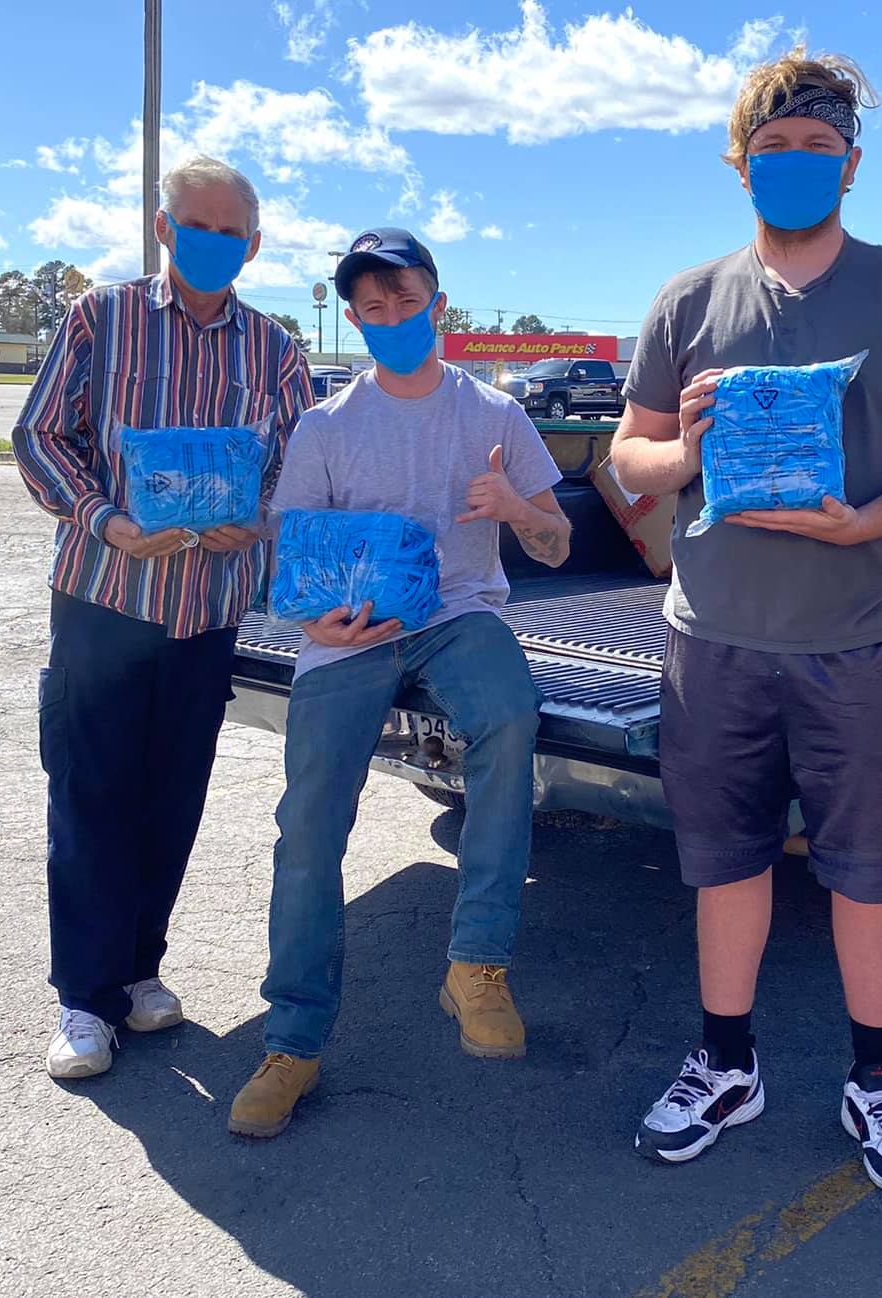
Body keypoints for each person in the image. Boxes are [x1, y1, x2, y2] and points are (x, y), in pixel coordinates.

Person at [611, 49, 882, 1195]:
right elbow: (630, 458)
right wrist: (680, 452)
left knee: (868, 871)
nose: (793, 166)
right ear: (740, 166)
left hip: (863, 635)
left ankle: (875, 1077)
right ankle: (725, 1062)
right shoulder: (687, 298)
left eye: (815, 149)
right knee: (724, 864)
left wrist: (860, 521)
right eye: (771, 150)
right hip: (715, 637)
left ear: (851, 163)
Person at [227, 228, 571, 1140]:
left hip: (458, 615)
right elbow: (292, 554)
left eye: (406, 302)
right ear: (353, 318)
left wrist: (519, 509)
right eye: (372, 309)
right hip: (350, 631)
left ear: (438, 305)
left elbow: (557, 543)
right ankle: (293, 1038)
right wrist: (314, 623)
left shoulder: (495, 416)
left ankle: (477, 963)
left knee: (509, 718)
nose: (391, 319)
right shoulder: (328, 425)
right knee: (309, 821)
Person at [13, 155, 311, 1080]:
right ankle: (84, 998)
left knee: (174, 796)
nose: (215, 243)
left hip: (205, 611)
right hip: (109, 597)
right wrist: (106, 519)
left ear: (253, 245)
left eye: (233, 232)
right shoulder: (99, 319)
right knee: (92, 792)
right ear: (163, 227)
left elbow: (297, 462)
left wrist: (259, 519)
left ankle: (142, 969)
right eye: (199, 224)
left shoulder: (273, 347)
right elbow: (40, 434)